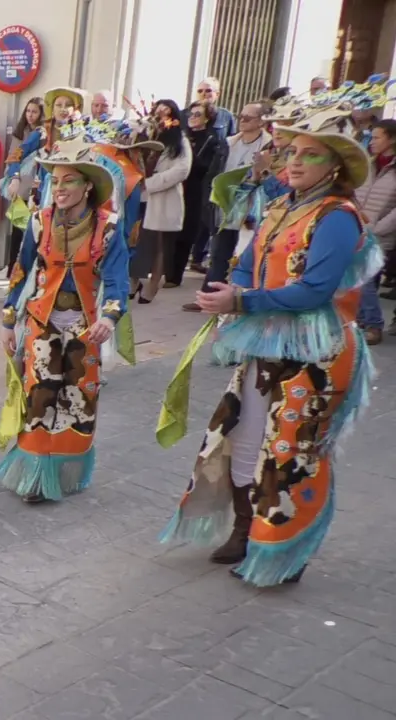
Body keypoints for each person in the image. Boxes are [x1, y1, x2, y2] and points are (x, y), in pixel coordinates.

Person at [159, 95, 380, 587]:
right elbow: (246, 259)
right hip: (265, 345)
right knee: (239, 436)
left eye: (309, 154)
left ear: (336, 165)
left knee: (292, 451)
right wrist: (228, 290)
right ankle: (244, 530)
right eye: (292, 153)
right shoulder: (280, 206)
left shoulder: (339, 216)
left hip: (316, 354)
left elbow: (315, 289)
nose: (294, 162)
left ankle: (283, 549)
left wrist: (242, 304)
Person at [0, 139, 129, 503]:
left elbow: (118, 279)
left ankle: (65, 472)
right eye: (55, 182)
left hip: (86, 325)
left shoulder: (109, 227)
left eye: (68, 181)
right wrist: (9, 320)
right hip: (42, 320)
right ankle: (37, 476)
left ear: (88, 185)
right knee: (40, 396)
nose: (59, 189)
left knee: (77, 400)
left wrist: (110, 316)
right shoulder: (39, 223)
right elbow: (21, 271)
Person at [184, 101, 275, 311]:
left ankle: (239, 297)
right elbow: (213, 175)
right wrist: (210, 201)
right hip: (226, 206)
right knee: (219, 253)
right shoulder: (228, 142)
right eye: (240, 116)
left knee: (245, 254)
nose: (242, 121)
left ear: (262, 121)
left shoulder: (268, 146)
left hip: (252, 208)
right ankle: (208, 298)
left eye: (248, 118)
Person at [133, 100, 192, 303]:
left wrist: (151, 183)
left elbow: (182, 169)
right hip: (139, 195)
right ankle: (133, 280)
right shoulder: (145, 133)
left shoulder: (179, 140)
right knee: (136, 240)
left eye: (165, 113)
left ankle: (153, 284)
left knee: (158, 244)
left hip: (160, 195)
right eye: (157, 112)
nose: (161, 116)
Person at [4, 87, 87, 219]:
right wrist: (15, 178)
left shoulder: (83, 134)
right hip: (44, 193)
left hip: (73, 195)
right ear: (52, 109)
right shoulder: (42, 133)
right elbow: (15, 156)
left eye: (68, 105)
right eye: (59, 105)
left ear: (75, 109)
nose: (63, 109)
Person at [172, 101, 228, 287]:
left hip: (196, 189)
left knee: (186, 230)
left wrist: (189, 158)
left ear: (207, 118)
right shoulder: (180, 136)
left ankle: (175, 275)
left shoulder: (212, 139)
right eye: (190, 114)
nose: (192, 118)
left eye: (197, 114)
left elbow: (207, 168)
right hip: (176, 186)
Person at [355, 118, 396, 343]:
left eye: (377, 137)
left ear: (391, 139)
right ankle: (363, 320)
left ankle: (373, 323)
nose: (371, 141)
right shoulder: (367, 163)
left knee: (365, 276)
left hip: (381, 233)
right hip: (357, 227)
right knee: (364, 276)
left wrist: (379, 228)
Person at [0, 97, 46, 280]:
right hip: (22, 185)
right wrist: (14, 177)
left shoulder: (44, 132)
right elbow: (14, 156)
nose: (30, 115)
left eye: (35, 111)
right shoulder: (30, 133)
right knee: (18, 228)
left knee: (34, 231)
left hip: (40, 186)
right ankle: (12, 269)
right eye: (28, 111)